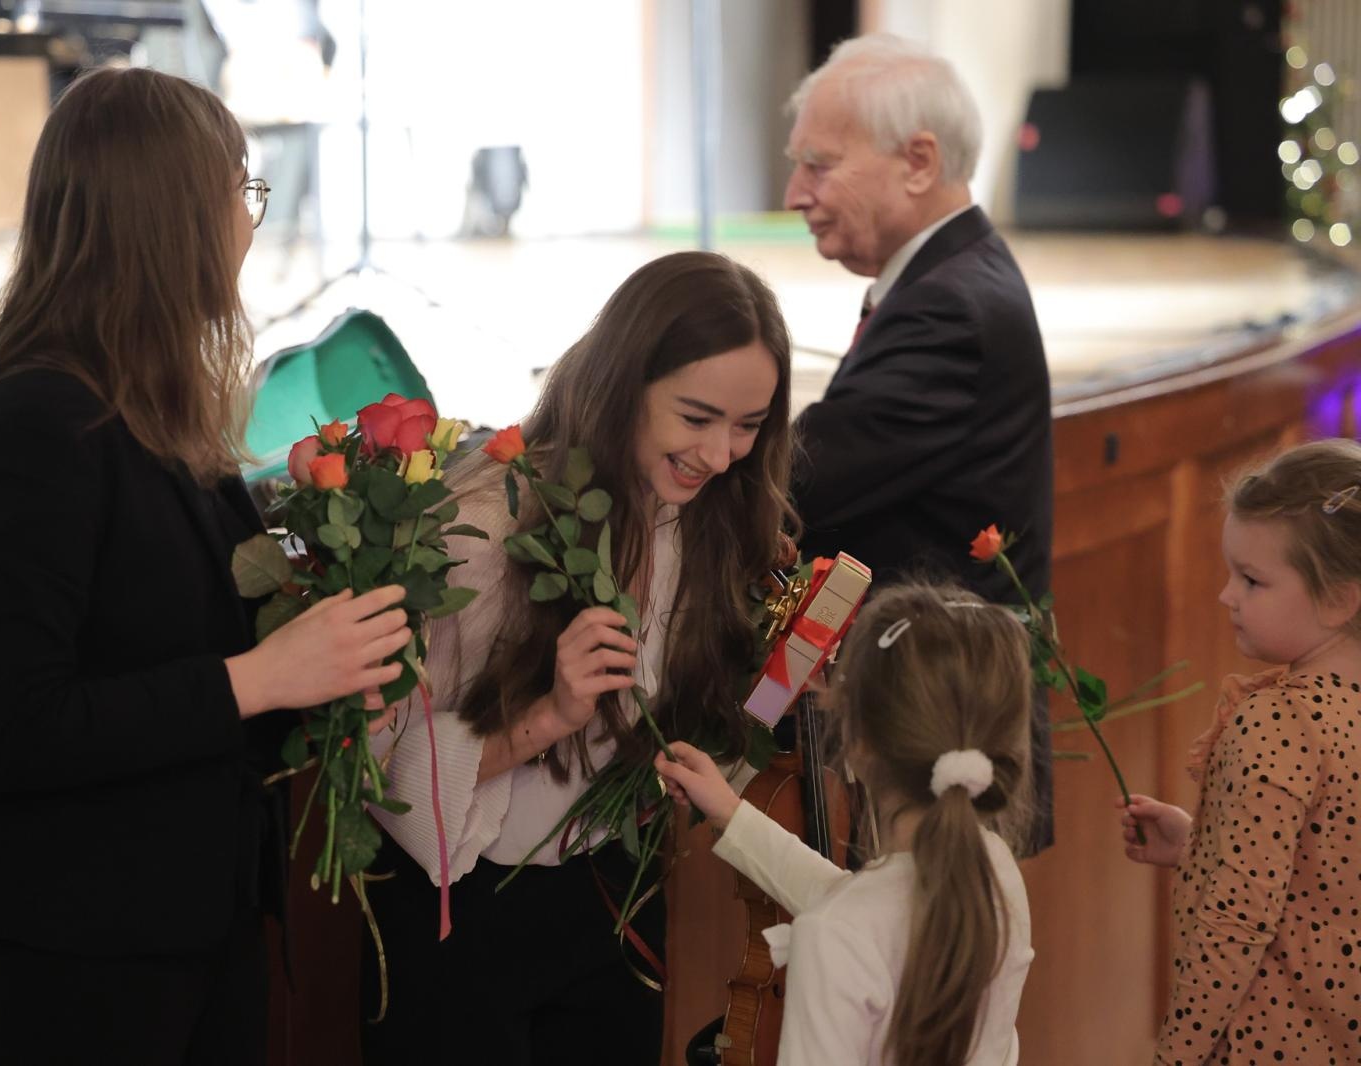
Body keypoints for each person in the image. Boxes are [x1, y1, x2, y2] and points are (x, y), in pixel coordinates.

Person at [0, 67, 413, 1066]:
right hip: (71, 942)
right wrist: (261, 677)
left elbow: (185, 642)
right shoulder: (38, 422)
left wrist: (328, 674)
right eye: (240, 192)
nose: (251, 223)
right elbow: (9, 726)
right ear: (169, 217)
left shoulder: (157, 409)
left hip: (189, 914)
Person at [360, 251, 795, 1065]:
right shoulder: (486, 529)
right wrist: (547, 718)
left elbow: (721, 734)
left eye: (749, 426)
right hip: (464, 913)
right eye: (696, 417)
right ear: (624, 383)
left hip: (614, 892)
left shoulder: (714, 522)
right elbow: (381, 769)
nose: (720, 454)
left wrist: (789, 681)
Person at [782, 34, 1056, 852]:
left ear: (918, 161)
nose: (795, 194)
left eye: (819, 165)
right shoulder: (952, 277)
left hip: (934, 729)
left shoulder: (950, 308)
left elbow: (805, 480)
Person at [656, 582, 1035, 1065]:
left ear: (861, 746)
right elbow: (860, 911)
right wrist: (730, 813)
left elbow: (854, 922)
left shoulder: (837, 935)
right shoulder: (995, 871)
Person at [1117, 438, 1361, 1066]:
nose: (1227, 595)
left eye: (1252, 580)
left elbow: (1233, 929)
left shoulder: (1279, 722)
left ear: (1339, 597)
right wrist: (1202, 846)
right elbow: (1327, 878)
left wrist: (1176, 1056)